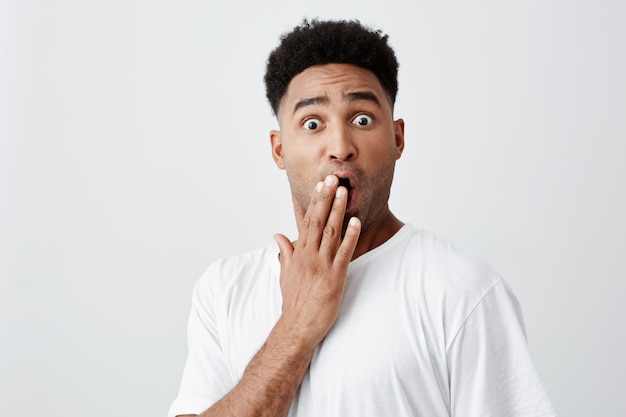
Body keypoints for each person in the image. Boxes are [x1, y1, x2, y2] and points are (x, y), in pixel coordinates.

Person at [169, 19, 555, 417]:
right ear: (279, 149)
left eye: (362, 119)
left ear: (398, 138)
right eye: (313, 123)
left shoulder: (462, 291)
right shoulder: (225, 289)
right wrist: (296, 326)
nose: (340, 147)